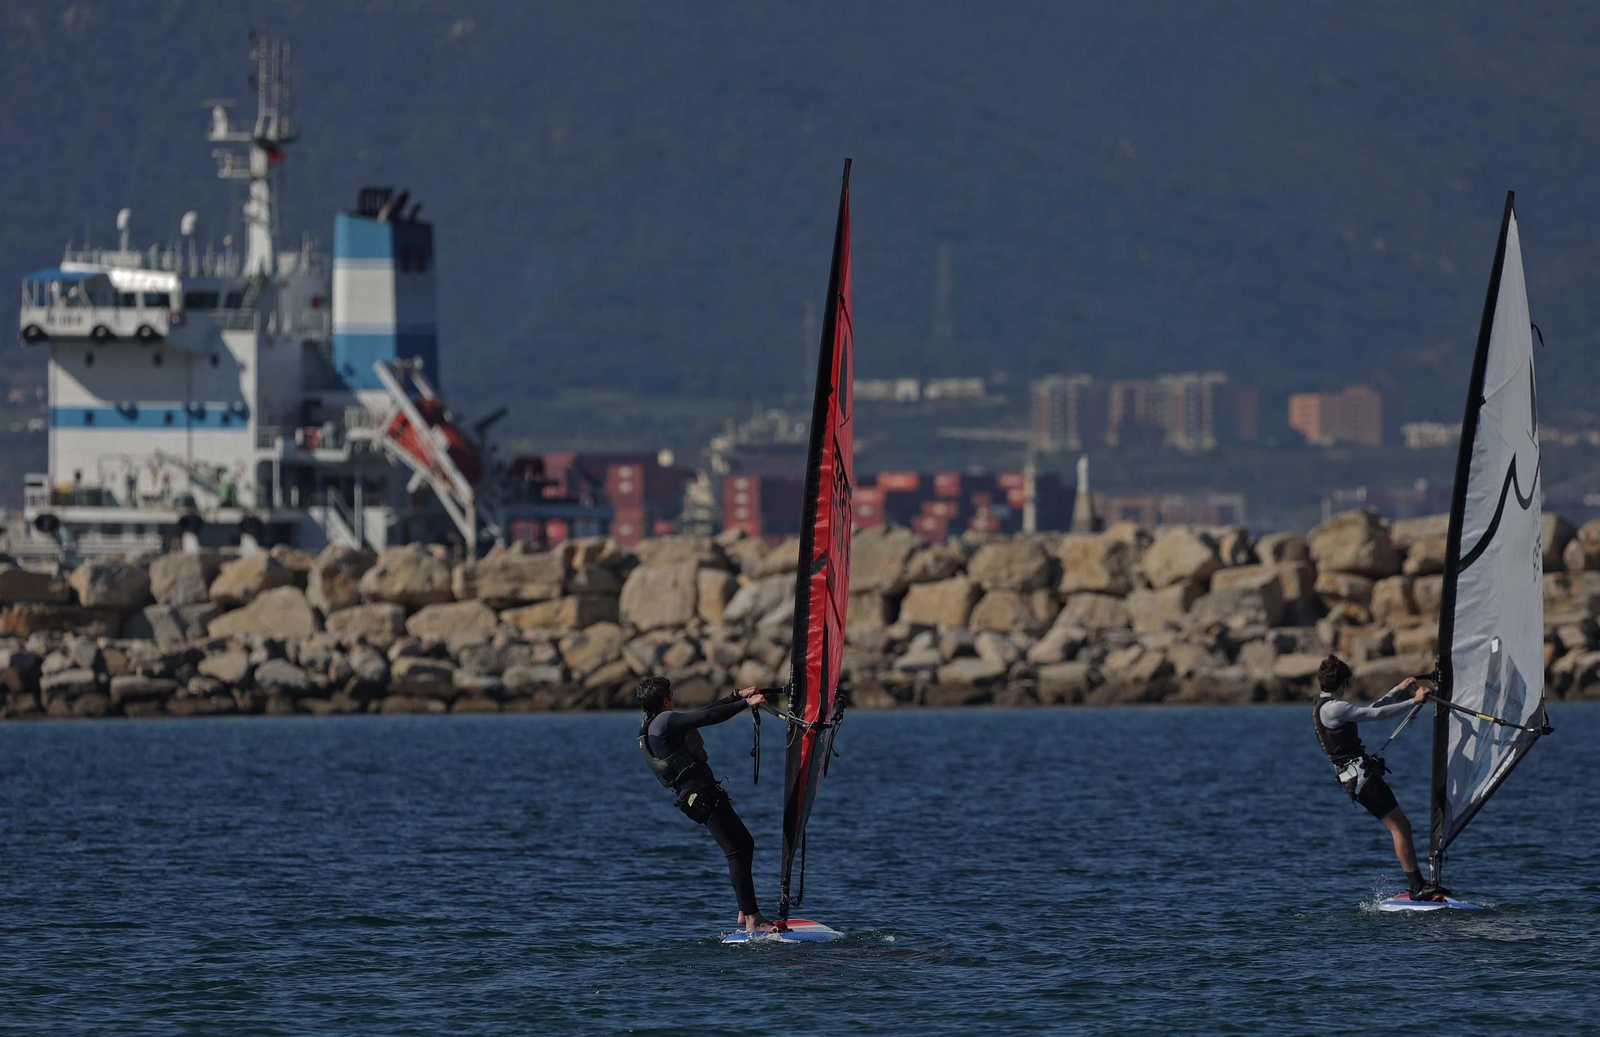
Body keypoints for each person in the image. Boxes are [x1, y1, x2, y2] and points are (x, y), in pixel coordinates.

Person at [637, 675, 773, 933]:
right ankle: (753, 919)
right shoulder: (665, 721)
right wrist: (745, 705)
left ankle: (746, 911)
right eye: (672, 695)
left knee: (743, 844)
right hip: (702, 796)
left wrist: (736, 697)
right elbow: (707, 718)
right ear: (666, 700)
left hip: (697, 796)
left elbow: (702, 713)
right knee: (736, 849)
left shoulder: (655, 723)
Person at [1312, 654, 1449, 902]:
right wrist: (1413, 701)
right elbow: (1374, 715)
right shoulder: (1335, 708)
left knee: (1401, 827)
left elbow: (1369, 710)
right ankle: (1417, 887)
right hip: (1361, 779)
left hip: (1355, 777)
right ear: (1343, 684)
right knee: (1401, 827)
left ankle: (1418, 884)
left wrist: (1397, 691)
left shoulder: (1324, 706)